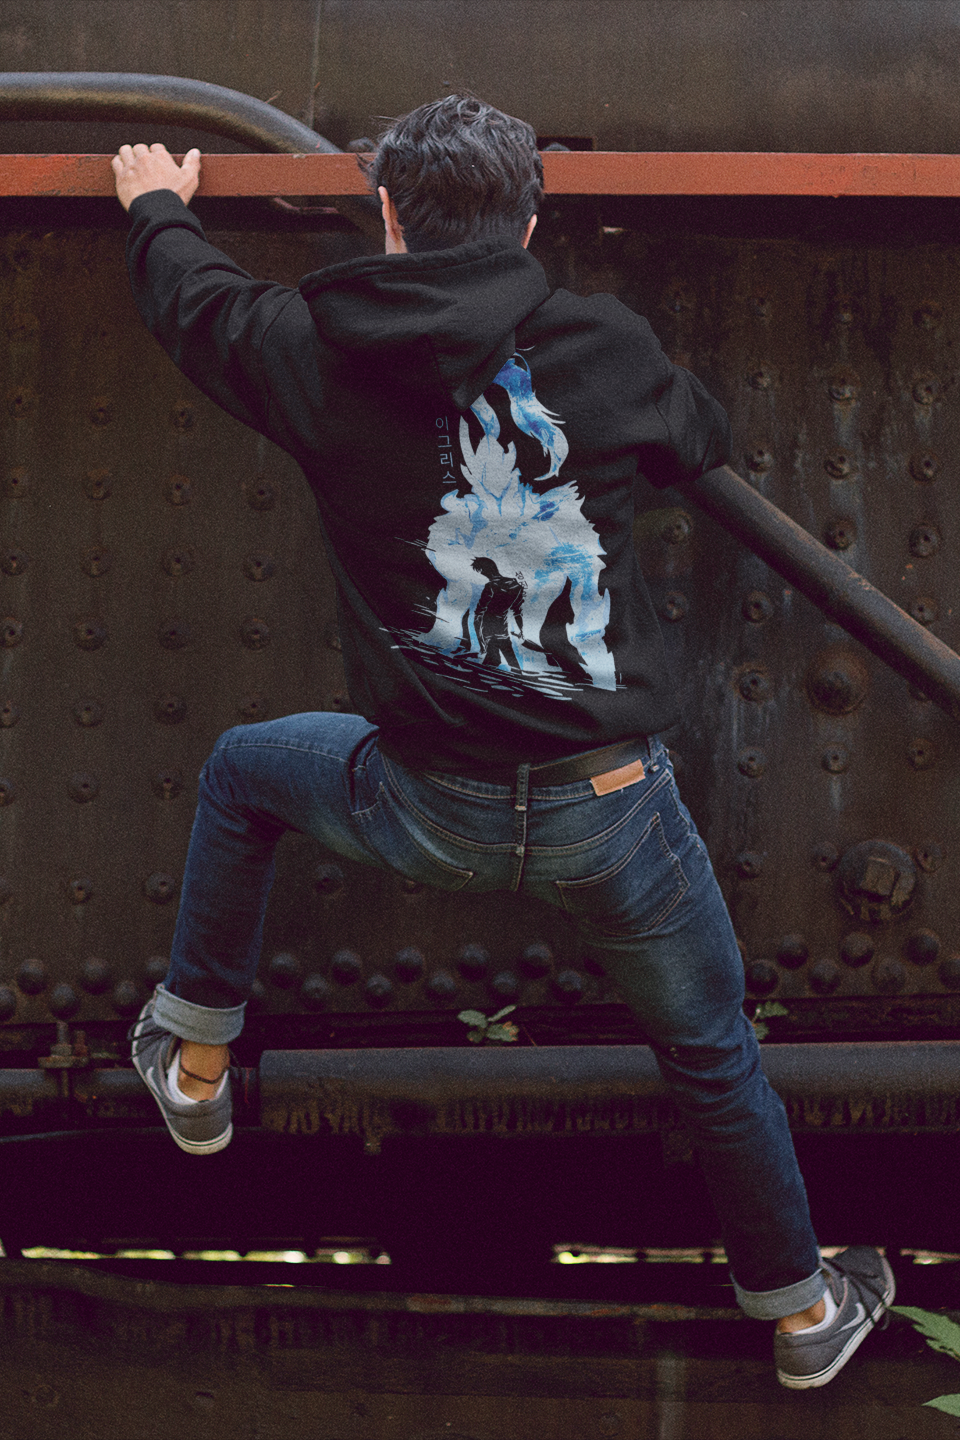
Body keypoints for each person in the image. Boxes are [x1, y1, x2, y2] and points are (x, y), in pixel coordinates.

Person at [112, 96, 894, 1388]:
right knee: (713, 1058)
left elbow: (197, 307)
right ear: (530, 219)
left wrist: (153, 203)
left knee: (245, 772)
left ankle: (194, 1059)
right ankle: (806, 1314)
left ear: (386, 213)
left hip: (425, 800)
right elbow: (704, 435)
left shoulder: (308, 350)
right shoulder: (604, 345)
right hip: (614, 809)